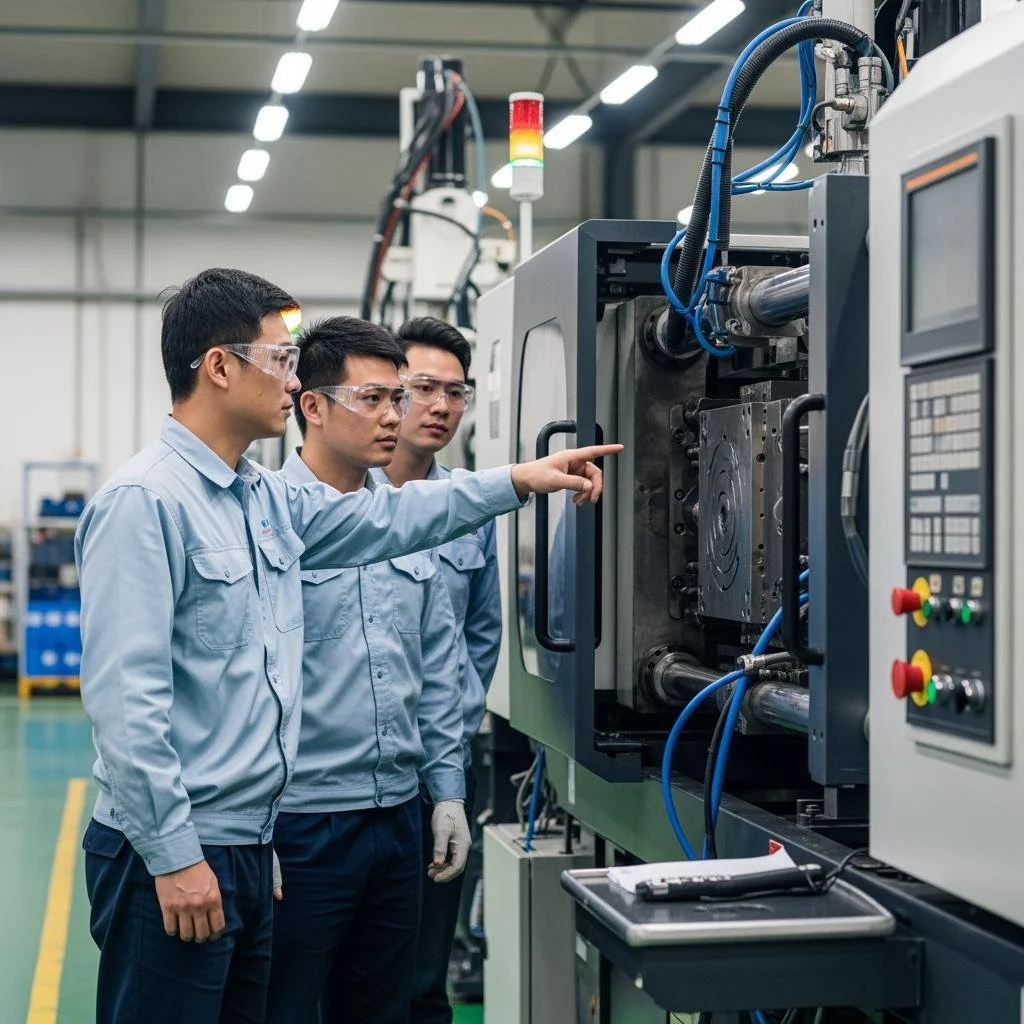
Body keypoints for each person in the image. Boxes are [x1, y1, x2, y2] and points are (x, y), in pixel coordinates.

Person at [75, 267, 620, 1024]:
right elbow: (125, 702)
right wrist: (174, 856)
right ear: (220, 367)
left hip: (244, 842)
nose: (291, 376)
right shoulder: (145, 503)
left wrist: (518, 481)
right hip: (173, 847)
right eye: (278, 358)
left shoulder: (259, 500)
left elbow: (390, 521)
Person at [266, 317, 469, 1024]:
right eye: (374, 399)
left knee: (386, 1010)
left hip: (397, 816)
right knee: (286, 1006)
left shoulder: (413, 523)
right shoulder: (270, 522)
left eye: (396, 398)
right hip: (302, 823)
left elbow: (441, 667)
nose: (396, 416)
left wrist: (447, 792)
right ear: (311, 406)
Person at [375, 317, 498, 1023]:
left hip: (436, 769)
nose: (441, 407)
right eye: (424, 387)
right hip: (339, 773)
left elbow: (478, 641)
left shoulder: (470, 511)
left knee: (422, 976)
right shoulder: (331, 500)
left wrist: (448, 758)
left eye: (457, 392)